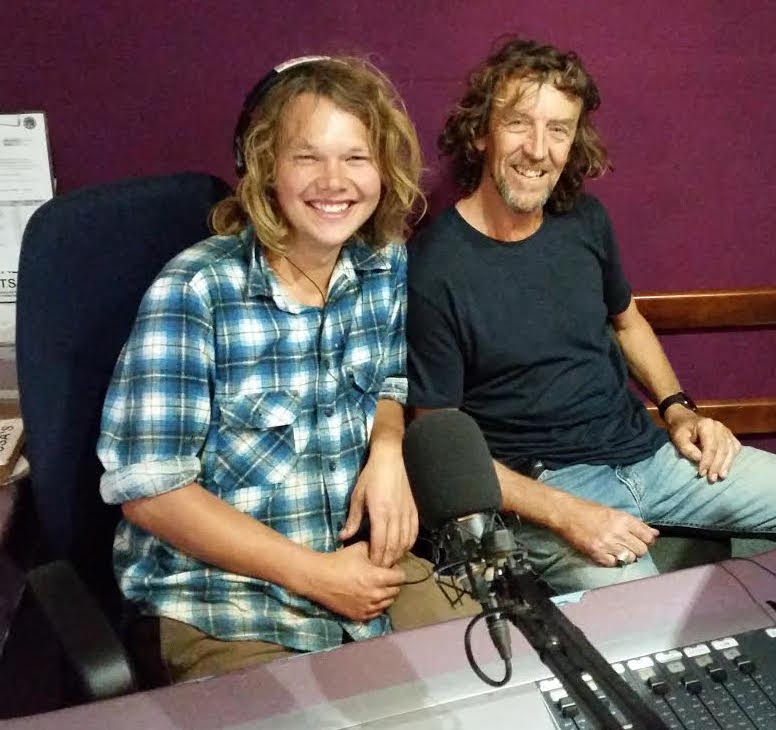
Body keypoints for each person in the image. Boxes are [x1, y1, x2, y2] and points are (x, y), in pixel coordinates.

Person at [98, 55, 475, 685]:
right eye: (307, 157)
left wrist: (387, 449)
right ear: (264, 166)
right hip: (226, 600)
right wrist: (318, 576)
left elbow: (387, 381)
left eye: (356, 157)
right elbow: (151, 493)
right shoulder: (195, 291)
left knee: (495, 685)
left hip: (366, 567)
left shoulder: (384, 264)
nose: (334, 181)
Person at [407, 38, 776, 595]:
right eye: (518, 123)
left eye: (558, 129)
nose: (538, 149)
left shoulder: (584, 220)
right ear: (480, 132)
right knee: (640, 621)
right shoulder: (434, 267)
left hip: (649, 455)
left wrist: (678, 411)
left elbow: (628, 323)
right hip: (547, 490)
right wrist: (566, 514)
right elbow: (442, 449)